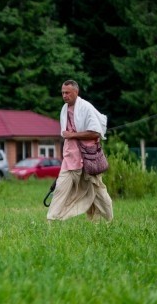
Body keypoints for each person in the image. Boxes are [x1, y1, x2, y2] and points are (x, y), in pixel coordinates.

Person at [46, 80, 114, 222]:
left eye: (67, 93)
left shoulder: (86, 108)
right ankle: (51, 221)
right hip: (70, 159)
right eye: (63, 93)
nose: (64, 95)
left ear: (76, 92)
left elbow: (96, 133)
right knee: (60, 189)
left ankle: (109, 220)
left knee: (98, 191)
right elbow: (66, 135)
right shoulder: (64, 109)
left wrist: (73, 135)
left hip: (88, 158)